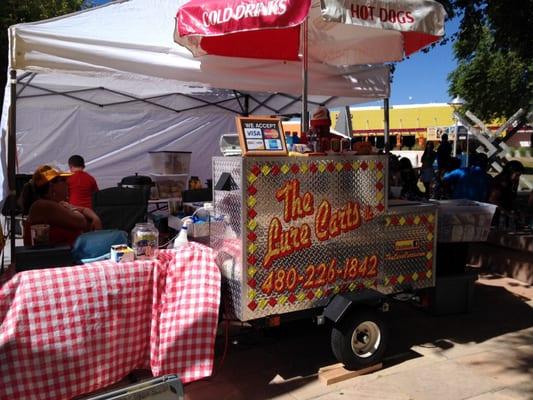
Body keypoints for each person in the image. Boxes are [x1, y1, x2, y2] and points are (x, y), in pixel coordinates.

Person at [24, 165, 102, 247]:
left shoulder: (56, 204)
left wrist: (95, 218)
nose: (67, 183)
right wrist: (71, 208)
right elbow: (81, 222)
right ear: (52, 186)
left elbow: (84, 210)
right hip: (51, 258)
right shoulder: (42, 205)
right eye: (63, 180)